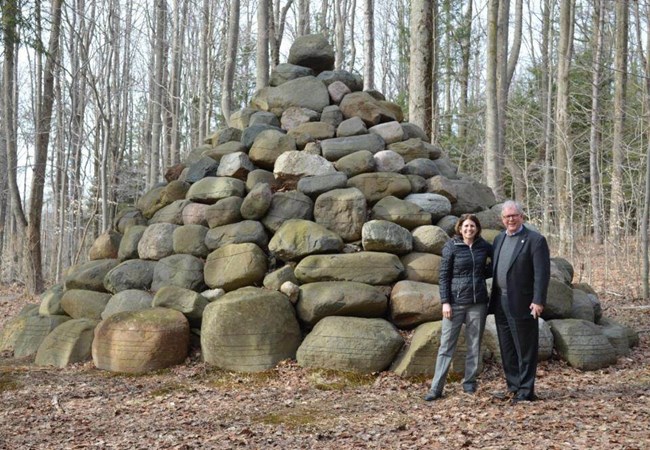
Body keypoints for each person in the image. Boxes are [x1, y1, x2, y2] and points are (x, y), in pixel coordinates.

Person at [424, 214, 493, 401]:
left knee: (474, 345)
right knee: (446, 346)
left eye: (472, 226)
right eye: (466, 226)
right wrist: (445, 302)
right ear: (460, 228)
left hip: (477, 303)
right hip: (454, 304)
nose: (469, 229)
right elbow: (443, 276)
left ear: (477, 228)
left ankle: (469, 383)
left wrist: (481, 274)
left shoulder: (483, 246)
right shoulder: (451, 247)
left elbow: (495, 264)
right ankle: (436, 388)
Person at [490, 200, 550, 404]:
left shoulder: (535, 240)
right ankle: (513, 387)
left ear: (521, 217)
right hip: (500, 301)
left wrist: (538, 300)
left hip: (523, 303)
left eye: (514, 215)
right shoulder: (499, 240)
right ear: (502, 220)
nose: (511, 219)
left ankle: (526, 390)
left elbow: (542, 274)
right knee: (507, 348)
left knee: (525, 348)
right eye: (507, 216)